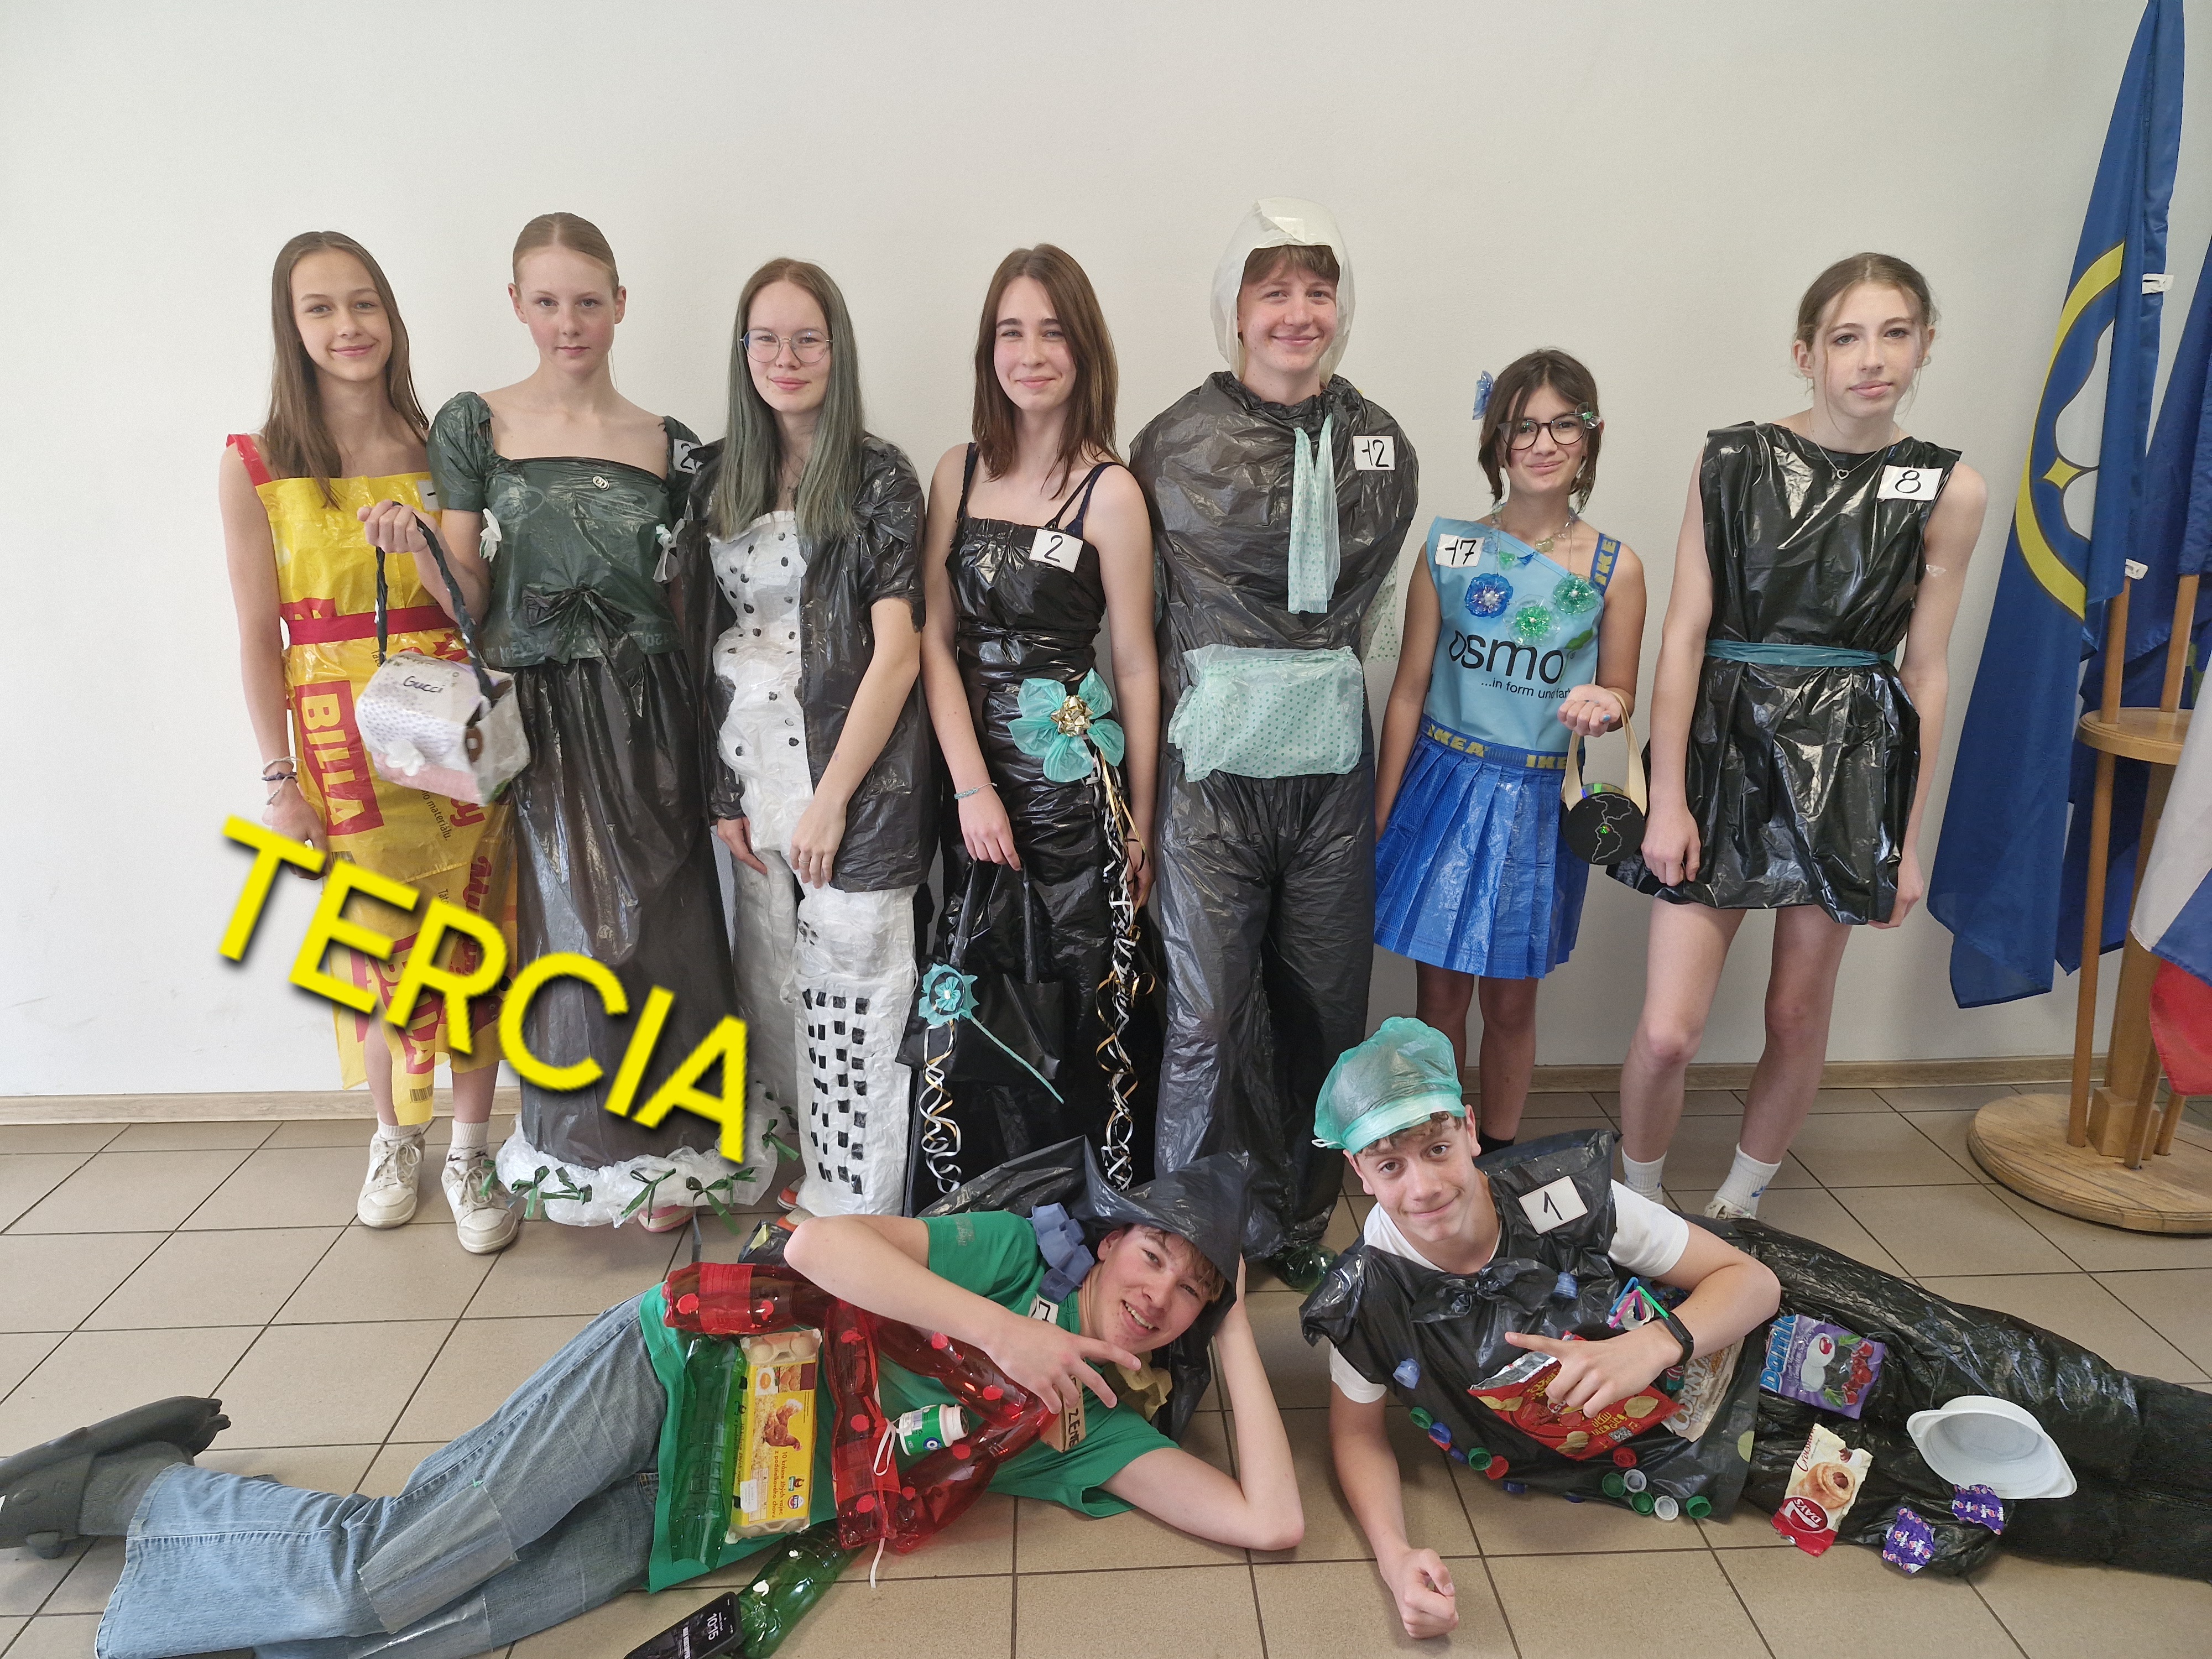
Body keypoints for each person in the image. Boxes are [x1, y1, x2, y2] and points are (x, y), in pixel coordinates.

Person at [2, 1156, 1302, 1659]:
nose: (1156, 1295)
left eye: (1185, 1294)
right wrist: (1004, 1330)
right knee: (379, 1574)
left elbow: (1267, 1523)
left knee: (425, 1632)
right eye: (1153, 1257)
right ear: (1110, 1241)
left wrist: (1235, 1326)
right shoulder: (1010, 1260)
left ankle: (170, 1538)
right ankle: (130, 1487)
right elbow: (819, 1245)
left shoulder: (1094, 1431)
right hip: (677, 1372)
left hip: (708, 1512)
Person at [1305, 1021, 2212, 1640]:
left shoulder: (1563, 1192)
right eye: (1391, 1164)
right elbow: (1357, 1436)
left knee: (2020, 1385)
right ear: (1359, 1173)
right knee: (1976, 1495)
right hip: (1697, 1446)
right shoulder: (1368, 1297)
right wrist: (1396, 1557)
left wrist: (1651, 1345)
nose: (1424, 1185)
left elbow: (1750, 1281)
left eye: (1437, 1148)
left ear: (1470, 1130)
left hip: (1775, 1328)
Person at [361, 213, 736, 1229]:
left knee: (667, 930)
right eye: (547, 301)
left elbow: (690, 601)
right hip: (542, 712)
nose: (569, 322)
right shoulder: (474, 424)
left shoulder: (671, 443)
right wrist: (420, 547)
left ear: (620, 305)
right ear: (518, 305)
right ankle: (591, 1151)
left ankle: (673, 1154)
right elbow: (471, 596)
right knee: (571, 938)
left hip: (651, 710)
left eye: (587, 301)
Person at [1610, 253, 1987, 1218]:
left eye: (1896, 334)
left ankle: (1738, 1210)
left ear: (1926, 346)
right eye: (1848, 336)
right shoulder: (1733, 461)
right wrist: (1667, 797)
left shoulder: (1948, 490)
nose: (1873, 358)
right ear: (1806, 351)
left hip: (1851, 765)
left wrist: (1902, 837)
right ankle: (1639, 1210)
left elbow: (1926, 672)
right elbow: (1683, 632)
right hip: (1723, 746)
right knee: (1669, 1030)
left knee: (1795, 1012)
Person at [1131, 197, 1418, 1286]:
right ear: (1235, 310)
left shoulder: (1382, 447)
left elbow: (1370, 610)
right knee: (1205, 1015)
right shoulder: (1173, 444)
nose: (1298, 313)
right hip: (1210, 779)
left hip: (1327, 779)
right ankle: (1186, 1230)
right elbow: (1143, 620)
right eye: (1274, 291)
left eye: (1317, 291)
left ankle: (1294, 1217)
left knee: (1324, 1008)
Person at [218, 231, 516, 1253]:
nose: (348, 326)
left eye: (364, 304)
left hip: (454, 731)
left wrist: (427, 545)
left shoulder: (450, 448)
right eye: (321, 308)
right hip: (342, 750)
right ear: (291, 327)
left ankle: (472, 1148)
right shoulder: (257, 464)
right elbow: (257, 635)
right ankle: (395, 1137)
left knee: (477, 941)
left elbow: (478, 599)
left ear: (391, 316)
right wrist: (279, 778)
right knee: (380, 950)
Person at [670, 258, 929, 1218]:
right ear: (743, 351)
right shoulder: (712, 481)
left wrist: (832, 802)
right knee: (776, 992)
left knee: (854, 1004)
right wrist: (723, 797)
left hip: (858, 789)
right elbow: (706, 644)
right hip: (755, 780)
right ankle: (798, 1184)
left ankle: (857, 1215)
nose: (786, 358)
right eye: (766, 339)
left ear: (836, 349)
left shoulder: (879, 477)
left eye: (807, 338)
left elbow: (897, 655)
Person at [907, 244, 1160, 1204]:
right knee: (976, 982)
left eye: (1053, 332)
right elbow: (935, 641)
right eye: (1011, 332)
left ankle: (1084, 1208)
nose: (1031, 353)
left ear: (1084, 348)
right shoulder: (957, 471)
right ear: (989, 350)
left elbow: (1135, 665)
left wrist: (1142, 821)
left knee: (1078, 988)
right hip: (972, 777)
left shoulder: (1113, 492)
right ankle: (979, 1199)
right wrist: (971, 786)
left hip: (1072, 786)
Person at [1373, 350, 1646, 1151]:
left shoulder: (1615, 568)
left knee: (1513, 1002)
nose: (1543, 443)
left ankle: (1497, 1156)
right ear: (1496, 439)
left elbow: (1623, 691)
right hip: (1442, 784)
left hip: (1536, 801)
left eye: (1564, 424)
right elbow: (1409, 689)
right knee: (1438, 999)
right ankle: (1437, 1152)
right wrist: (1382, 813)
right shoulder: (1450, 548)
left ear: (1591, 436)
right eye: (1523, 426)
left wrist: (1608, 704)